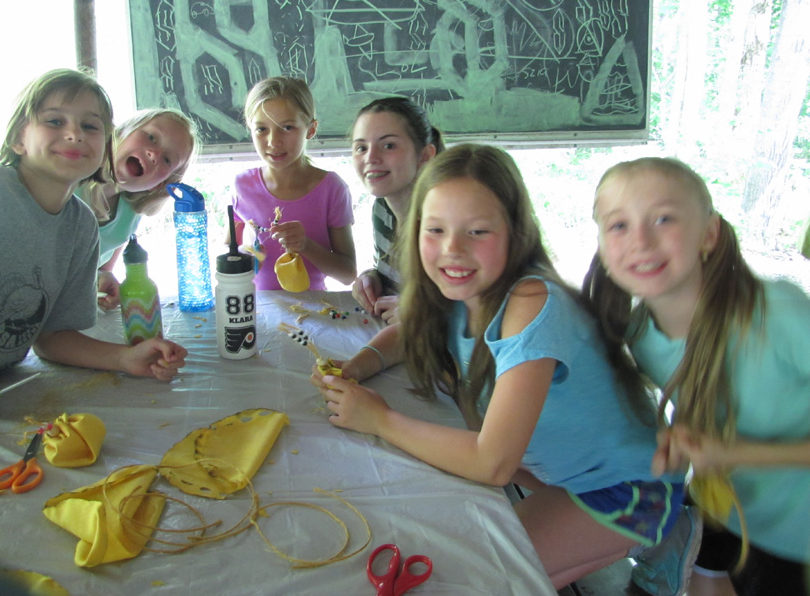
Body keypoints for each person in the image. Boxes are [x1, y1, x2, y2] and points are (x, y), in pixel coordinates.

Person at [312, 143, 685, 590]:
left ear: (514, 234)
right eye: (436, 229)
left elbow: (492, 463)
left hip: (631, 488)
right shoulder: (457, 288)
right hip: (554, 471)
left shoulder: (531, 302)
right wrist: (358, 365)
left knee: (475, 577)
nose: (452, 249)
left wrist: (379, 419)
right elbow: (409, 333)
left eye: (477, 231)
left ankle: (664, 538)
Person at [0, 69, 188, 433]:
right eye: (55, 121)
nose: (74, 134)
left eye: (90, 126)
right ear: (18, 138)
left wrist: (125, 358)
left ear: (105, 147)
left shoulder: (81, 227)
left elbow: (53, 338)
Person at [585, 156, 810, 596]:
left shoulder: (777, 312)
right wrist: (680, 441)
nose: (641, 240)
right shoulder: (640, 335)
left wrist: (738, 451)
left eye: (664, 218)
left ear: (709, 234)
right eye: (619, 225)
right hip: (734, 521)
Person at [232, 76, 356, 290]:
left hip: (314, 306)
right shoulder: (243, 186)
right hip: (256, 306)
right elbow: (230, 250)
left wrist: (305, 245)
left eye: (287, 127)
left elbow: (348, 274)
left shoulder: (331, 189)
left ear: (311, 129)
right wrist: (244, 257)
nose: (273, 142)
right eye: (261, 129)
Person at [77, 108, 198, 309]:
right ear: (122, 132)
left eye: (167, 160)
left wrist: (103, 279)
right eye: (151, 137)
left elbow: (101, 271)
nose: (154, 154)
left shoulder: (129, 215)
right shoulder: (65, 187)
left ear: (158, 185)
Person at [350, 97, 444, 324]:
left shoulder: (446, 219)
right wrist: (373, 278)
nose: (371, 158)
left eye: (389, 146)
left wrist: (420, 311)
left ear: (424, 156)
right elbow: (397, 280)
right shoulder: (382, 207)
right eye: (361, 148)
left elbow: (477, 305)